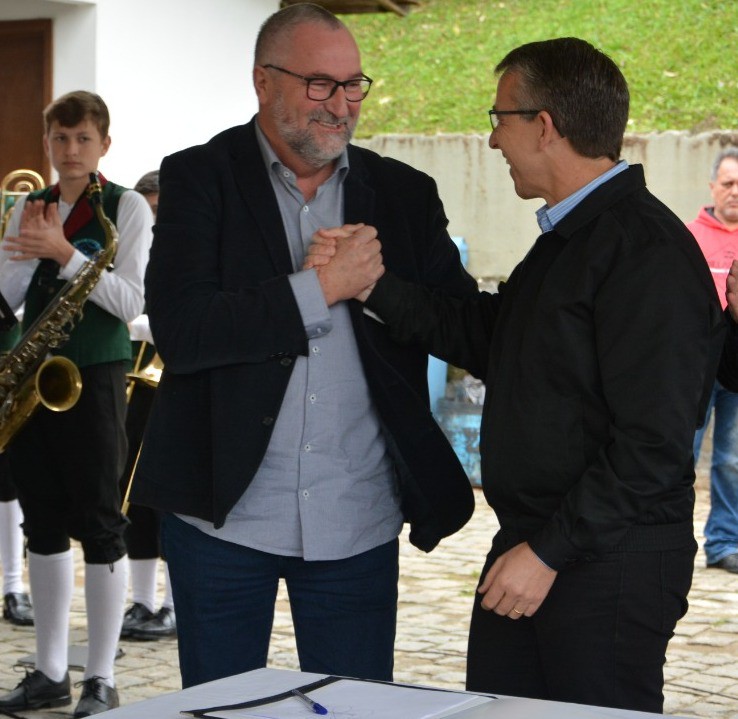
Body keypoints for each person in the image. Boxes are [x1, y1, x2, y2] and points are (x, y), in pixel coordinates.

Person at [308, 37, 725, 713]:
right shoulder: (572, 237)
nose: (493, 138)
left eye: (500, 117)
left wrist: (550, 552)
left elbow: (653, 444)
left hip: (602, 559)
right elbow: (493, 336)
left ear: (545, 125)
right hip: (543, 542)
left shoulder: (643, 250)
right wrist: (372, 285)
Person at [131, 2, 476, 689]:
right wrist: (318, 288)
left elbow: (461, 324)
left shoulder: (403, 193)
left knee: (354, 708)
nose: (341, 105)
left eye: (353, 85)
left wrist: (374, 286)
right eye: (320, 84)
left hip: (357, 520)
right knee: (222, 706)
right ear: (264, 82)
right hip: (223, 519)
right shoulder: (198, 178)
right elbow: (183, 330)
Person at [0, 91, 152, 715]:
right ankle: (49, 671)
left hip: (97, 374)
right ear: (47, 143)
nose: (70, 150)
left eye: (83, 139)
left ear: (104, 144)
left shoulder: (128, 206)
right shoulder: (28, 206)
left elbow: (130, 302)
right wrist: (26, 257)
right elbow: (9, 294)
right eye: (60, 139)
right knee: (40, 521)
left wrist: (63, 255)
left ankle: (101, 678)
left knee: (99, 521)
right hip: (36, 379)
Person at [119, 170, 176, 641]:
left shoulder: (185, 252)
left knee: (169, 499)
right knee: (131, 494)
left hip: (173, 385)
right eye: (145, 211)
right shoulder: (128, 249)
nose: (151, 221)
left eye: (157, 211)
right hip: (133, 383)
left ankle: (175, 606)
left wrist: (136, 324)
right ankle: (141, 601)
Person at [689, 147, 738, 573]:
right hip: (695, 365)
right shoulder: (687, 238)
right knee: (680, 455)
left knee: (732, 460)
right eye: (728, 183)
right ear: (712, 187)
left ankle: (724, 543)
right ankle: (671, 536)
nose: (735, 191)